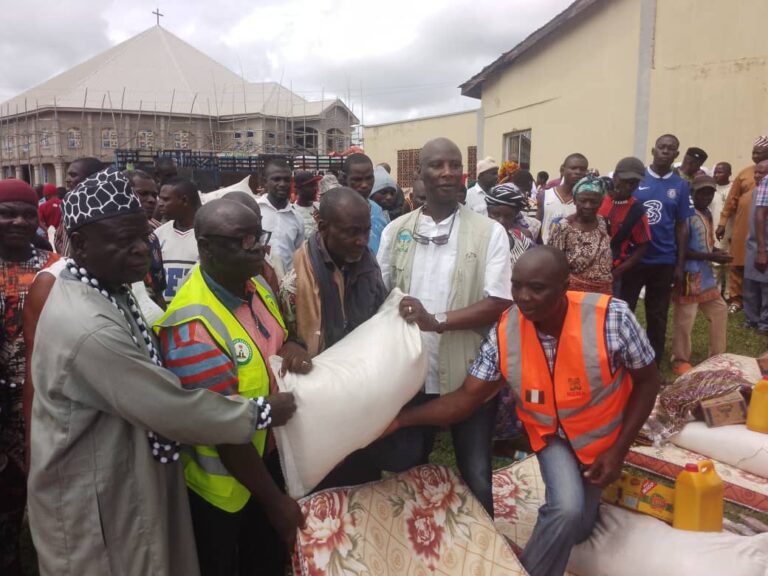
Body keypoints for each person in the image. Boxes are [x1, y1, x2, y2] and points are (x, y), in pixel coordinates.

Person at [28, 168, 301, 576]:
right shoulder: (89, 327)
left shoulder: (110, 288)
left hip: (127, 475)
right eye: (126, 242)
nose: (142, 250)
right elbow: (170, 408)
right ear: (81, 245)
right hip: (96, 496)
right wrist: (260, 412)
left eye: (144, 237)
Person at [384, 246, 661, 576]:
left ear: (564, 285)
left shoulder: (611, 318)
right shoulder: (506, 331)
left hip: (602, 437)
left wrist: (618, 451)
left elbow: (648, 381)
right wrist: (402, 419)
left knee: (580, 528)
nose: (523, 297)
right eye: (516, 285)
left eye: (537, 288)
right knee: (566, 511)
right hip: (550, 436)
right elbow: (466, 399)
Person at [156, 199, 311, 576]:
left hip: (269, 459)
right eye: (241, 240)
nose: (256, 247)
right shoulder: (192, 326)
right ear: (206, 247)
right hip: (224, 490)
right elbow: (223, 430)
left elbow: (279, 337)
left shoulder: (254, 284)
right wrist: (276, 504)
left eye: (256, 235)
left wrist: (294, 344)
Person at [377, 138, 512, 516]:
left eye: (455, 165)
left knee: (476, 472)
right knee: (406, 467)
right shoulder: (397, 231)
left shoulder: (489, 233)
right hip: (411, 373)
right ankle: (417, 545)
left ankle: (488, 553)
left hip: (468, 372)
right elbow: (382, 295)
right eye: (437, 165)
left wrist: (436, 321)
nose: (448, 173)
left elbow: (500, 302)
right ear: (418, 174)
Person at [0, 180, 59, 576]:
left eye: (25, 212)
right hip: (2, 407)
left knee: (51, 496)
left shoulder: (55, 266)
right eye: (7, 213)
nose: (18, 221)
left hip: (48, 397)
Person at [280, 187, 388, 357]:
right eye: (352, 232)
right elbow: (286, 340)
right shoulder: (295, 282)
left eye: (366, 230)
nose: (362, 241)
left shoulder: (369, 265)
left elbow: (382, 313)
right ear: (323, 228)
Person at [621, 134, 693, 364]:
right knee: (625, 309)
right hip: (633, 259)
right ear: (653, 151)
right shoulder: (636, 180)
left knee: (657, 313)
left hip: (663, 260)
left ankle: (653, 360)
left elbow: (682, 226)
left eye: (670, 148)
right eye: (661, 147)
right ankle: (623, 355)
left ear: (676, 155)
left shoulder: (680, 186)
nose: (665, 151)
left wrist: (679, 264)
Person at [671, 174, 731, 375]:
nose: (706, 196)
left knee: (719, 310)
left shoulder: (706, 213)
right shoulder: (687, 216)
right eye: (702, 192)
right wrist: (711, 255)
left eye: (710, 192)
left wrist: (716, 253)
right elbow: (683, 249)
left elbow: (706, 243)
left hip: (704, 275)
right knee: (685, 318)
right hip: (689, 273)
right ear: (692, 192)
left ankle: (717, 356)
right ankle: (680, 359)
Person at [716, 137, 768, 313]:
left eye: (758, 152)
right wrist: (722, 222)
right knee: (738, 263)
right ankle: (737, 299)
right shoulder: (745, 173)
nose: (754, 155)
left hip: (764, 231)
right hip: (743, 227)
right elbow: (731, 199)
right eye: (753, 152)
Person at [549, 175, 613, 295]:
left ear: (600, 202)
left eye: (593, 201)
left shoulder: (605, 223)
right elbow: (554, 263)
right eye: (583, 201)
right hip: (573, 293)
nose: (588, 206)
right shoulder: (563, 227)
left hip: (603, 292)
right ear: (575, 200)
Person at [598, 157, 651, 296]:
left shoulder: (636, 210)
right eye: (625, 181)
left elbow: (643, 246)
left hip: (612, 273)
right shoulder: (596, 199)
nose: (628, 186)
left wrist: (617, 272)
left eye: (634, 183)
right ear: (615, 177)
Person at [155, 177, 201, 303]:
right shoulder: (158, 234)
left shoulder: (207, 235)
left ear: (184, 200)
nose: (159, 203)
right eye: (159, 198)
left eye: (165, 199)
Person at [125, 170, 167, 309]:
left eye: (154, 195)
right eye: (143, 194)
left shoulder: (152, 238)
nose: (152, 200)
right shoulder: (109, 240)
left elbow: (158, 290)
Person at [257, 159, 305, 275]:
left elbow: (299, 256)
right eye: (276, 179)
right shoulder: (254, 210)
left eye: (287, 180)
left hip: (287, 285)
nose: (282, 184)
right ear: (265, 182)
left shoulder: (297, 218)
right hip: (258, 282)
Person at [54, 156, 102, 255]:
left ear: (92, 177)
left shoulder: (105, 208)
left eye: (73, 175)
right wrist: (65, 255)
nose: (67, 180)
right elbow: (58, 237)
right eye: (68, 175)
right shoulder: (69, 203)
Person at [536, 153, 588, 244]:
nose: (578, 172)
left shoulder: (587, 201)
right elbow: (537, 226)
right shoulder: (545, 195)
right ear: (562, 170)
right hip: (547, 252)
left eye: (582, 169)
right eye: (573, 168)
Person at [342, 153, 387, 254]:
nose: (364, 185)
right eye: (357, 180)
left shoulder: (377, 210)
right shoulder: (336, 212)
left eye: (369, 178)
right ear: (345, 179)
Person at [484, 183, 534, 271]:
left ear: (515, 216)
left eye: (508, 216)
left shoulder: (521, 238)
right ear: (488, 212)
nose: (501, 221)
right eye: (496, 214)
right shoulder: (478, 241)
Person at [743, 160, 768, 334]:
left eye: (762, 173)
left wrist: (763, 249)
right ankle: (751, 319)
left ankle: (764, 324)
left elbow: (761, 217)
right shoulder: (755, 191)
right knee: (750, 283)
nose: (758, 176)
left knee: (766, 286)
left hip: (763, 244)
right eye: (756, 172)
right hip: (753, 243)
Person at [712, 161, 732, 294]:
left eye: (720, 172)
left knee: (730, 263)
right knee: (715, 264)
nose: (717, 175)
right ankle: (714, 293)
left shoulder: (734, 188)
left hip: (730, 231)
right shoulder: (710, 188)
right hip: (713, 231)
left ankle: (730, 294)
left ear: (729, 174)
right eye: (715, 172)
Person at [292, 170, 321, 237]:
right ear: (298, 189)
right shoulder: (292, 212)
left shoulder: (320, 207)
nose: (315, 188)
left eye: (315, 185)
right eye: (310, 186)